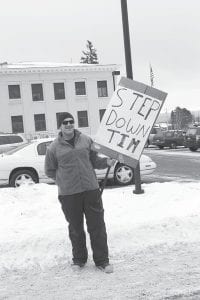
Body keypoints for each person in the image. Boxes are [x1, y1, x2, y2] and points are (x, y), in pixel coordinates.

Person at [44, 112, 115, 273]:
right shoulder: (54, 147)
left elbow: (94, 160)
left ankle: (102, 260)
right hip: (69, 194)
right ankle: (79, 259)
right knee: (75, 227)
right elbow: (49, 170)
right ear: (60, 126)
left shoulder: (86, 140)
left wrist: (107, 162)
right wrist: (63, 181)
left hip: (90, 189)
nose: (69, 124)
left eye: (71, 121)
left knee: (97, 226)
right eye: (65, 122)